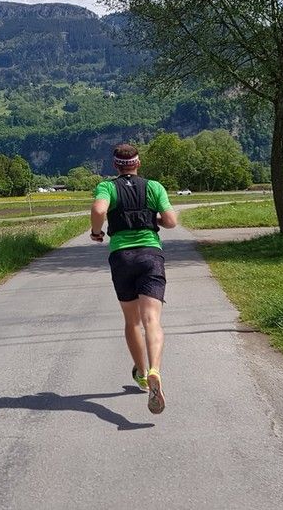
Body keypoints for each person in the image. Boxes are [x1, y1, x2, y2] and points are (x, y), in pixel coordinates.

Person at [90, 143, 178, 414]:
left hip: (122, 257)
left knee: (132, 321)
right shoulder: (154, 187)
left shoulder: (108, 187)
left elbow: (98, 210)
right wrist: (156, 221)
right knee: (152, 320)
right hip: (151, 255)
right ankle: (155, 370)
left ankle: (141, 373)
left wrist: (97, 232)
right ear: (138, 164)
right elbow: (171, 221)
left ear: (116, 165)